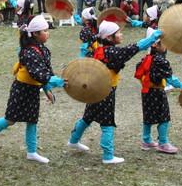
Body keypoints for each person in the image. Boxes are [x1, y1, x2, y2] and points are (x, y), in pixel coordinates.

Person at [68, 22, 163, 164]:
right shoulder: (113, 53)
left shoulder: (98, 50)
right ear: (109, 37)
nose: (121, 34)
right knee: (107, 123)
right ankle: (108, 155)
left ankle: (73, 140)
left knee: (87, 117)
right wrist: (152, 38)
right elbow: (135, 48)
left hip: (94, 90)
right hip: (106, 91)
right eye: (118, 33)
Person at [0, 15, 65, 163]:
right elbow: (38, 73)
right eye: (45, 30)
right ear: (36, 34)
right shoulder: (29, 52)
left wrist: (47, 90)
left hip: (32, 90)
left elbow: (46, 72)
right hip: (21, 90)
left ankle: (31, 152)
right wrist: (59, 82)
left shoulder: (43, 50)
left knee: (32, 120)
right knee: (10, 119)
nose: (48, 32)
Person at [134, 28, 182, 154]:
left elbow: (138, 72)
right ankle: (163, 142)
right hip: (157, 92)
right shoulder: (161, 61)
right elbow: (170, 79)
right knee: (164, 117)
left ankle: (146, 140)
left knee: (148, 116)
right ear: (155, 44)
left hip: (146, 92)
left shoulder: (145, 59)